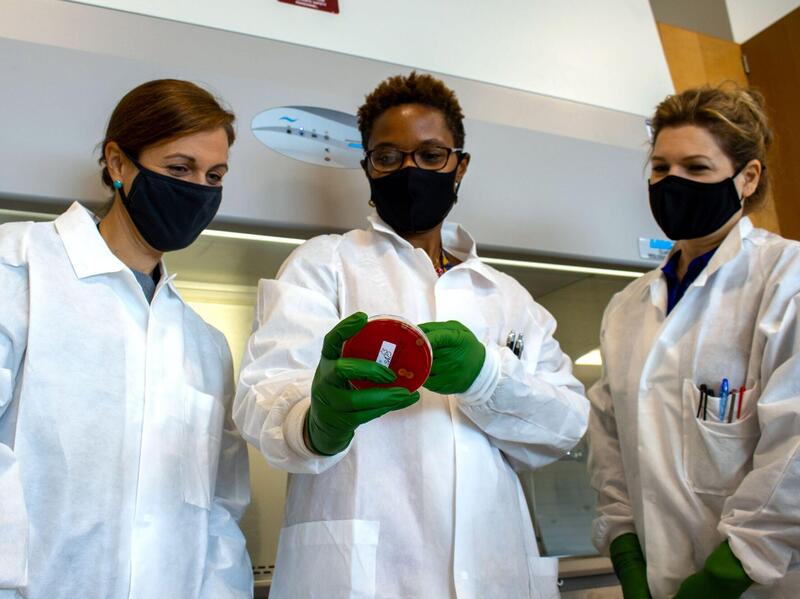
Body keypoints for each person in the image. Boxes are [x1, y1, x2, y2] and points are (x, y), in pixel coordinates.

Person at [234, 71, 589, 598]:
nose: (409, 169)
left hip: (496, 571)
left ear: (459, 166)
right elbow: (262, 397)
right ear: (368, 167)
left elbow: (566, 425)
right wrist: (315, 423)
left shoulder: (508, 297)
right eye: (388, 156)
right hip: (364, 578)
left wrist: (488, 377)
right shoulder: (324, 264)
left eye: (430, 155)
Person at [0, 79, 252, 599]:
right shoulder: (20, 265)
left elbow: (221, 513)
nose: (198, 189)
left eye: (215, 175)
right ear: (118, 164)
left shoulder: (203, 343)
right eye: (179, 169)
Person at [587, 84, 800, 598]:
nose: (672, 183)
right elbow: (610, 445)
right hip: (658, 579)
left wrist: (730, 572)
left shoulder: (785, 280)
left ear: (746, 177)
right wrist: (626, 551)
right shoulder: (627, 308)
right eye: (660, 169)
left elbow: (794, 451)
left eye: (696, 168)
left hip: (761, 584)